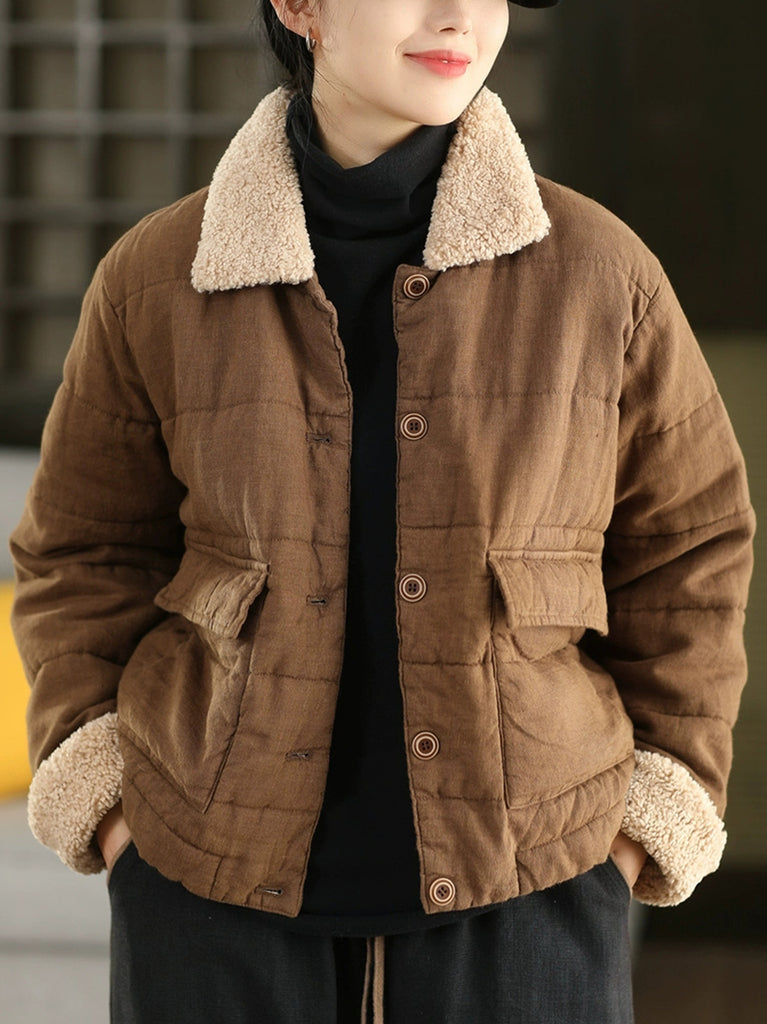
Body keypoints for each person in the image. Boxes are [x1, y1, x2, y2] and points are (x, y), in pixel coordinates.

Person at [10, 0, 754, 1021]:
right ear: (300, 6)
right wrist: (108, 803)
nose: (456, 16)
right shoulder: (155, 277)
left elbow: (688, 549)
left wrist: (646, 815)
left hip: (530, 883)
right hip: (206, 884)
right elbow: (80, 551)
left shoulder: (598, 271)